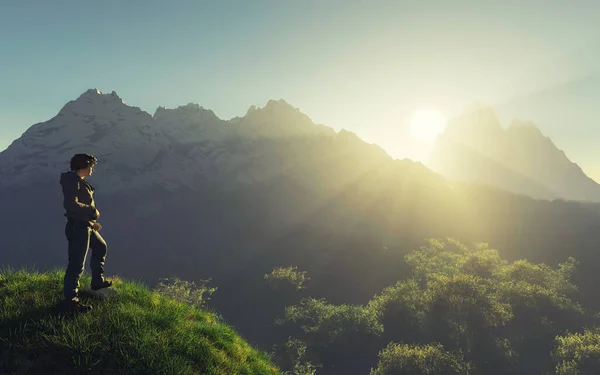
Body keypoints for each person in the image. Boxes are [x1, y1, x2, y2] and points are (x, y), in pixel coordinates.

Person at [60, 153, 112, 312]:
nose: (92, 169)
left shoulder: (77, 181)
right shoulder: (72, 182)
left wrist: (91, 223)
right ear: (82, 166)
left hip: (85, 226)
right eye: (91, 166)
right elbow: (71, 205)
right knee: (76, 265)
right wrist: (92, 211)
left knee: (101, 247)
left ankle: (97, 281)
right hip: (79, 229)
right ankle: (71, 300)